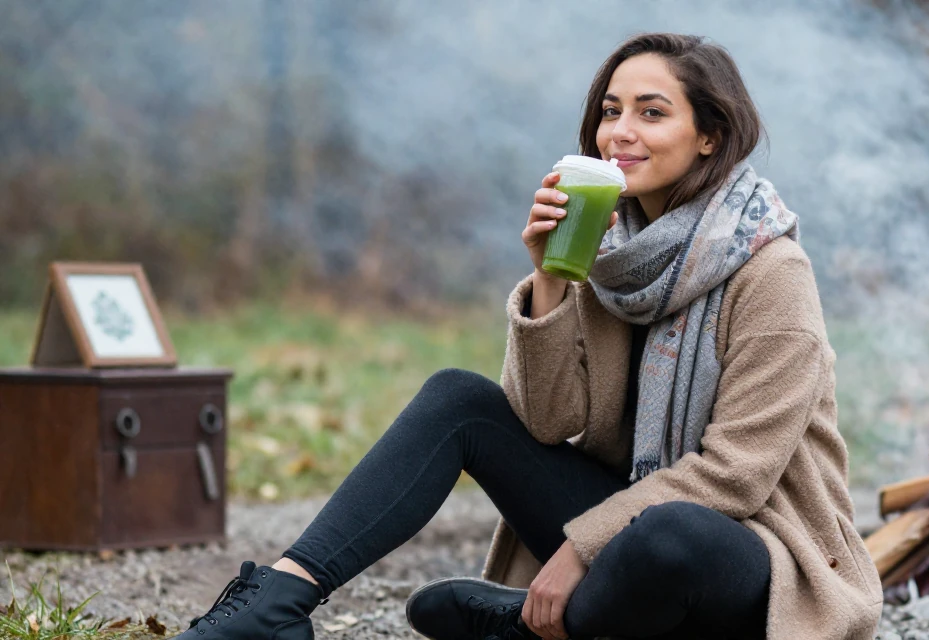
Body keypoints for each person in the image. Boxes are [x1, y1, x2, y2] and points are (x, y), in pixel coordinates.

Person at [171, 32, 883, 640]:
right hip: (623, 529)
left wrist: (580, 547)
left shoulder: (772, 271)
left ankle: (530, 624)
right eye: (611, 112)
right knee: (459, 400)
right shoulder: (610, 249)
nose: (620, 132)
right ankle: (277, 601)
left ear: (710, 136)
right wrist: (549, 280)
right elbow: (548, 422)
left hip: (753, 553)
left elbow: (735, 476)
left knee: (673, 534)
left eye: (651, 112)